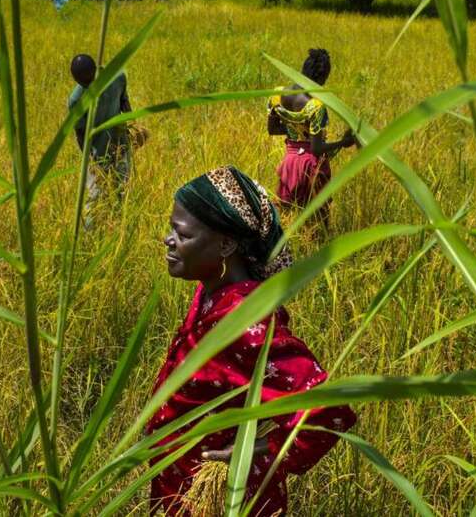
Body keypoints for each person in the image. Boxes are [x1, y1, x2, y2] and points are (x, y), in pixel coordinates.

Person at [148, 166, 357, 516]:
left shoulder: (245, 324)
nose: (169, 240)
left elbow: (328, 408)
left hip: (223, 500)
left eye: (182, 234)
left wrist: (262, 448)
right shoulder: (211, 292)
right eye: (171, 228)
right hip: (181, 488)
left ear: (226, 244)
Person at [267, 49, 356, 222]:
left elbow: (273, 129)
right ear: (322, 78)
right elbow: (316, 148)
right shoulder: (315, 105)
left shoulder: (277, 95)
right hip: (311, 166)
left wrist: (296, 128)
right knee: (319, 220)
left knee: (284, 216)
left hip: (290, 162)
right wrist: (343, 142)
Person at [68, 53, 132, 202]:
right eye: (83, 83)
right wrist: (90, 160)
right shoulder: (76, 100)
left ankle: (119, 222)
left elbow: (124, 103)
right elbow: (80, 133)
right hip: (96, 154)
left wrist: (134, 128)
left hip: (120, 145)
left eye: (89, 80)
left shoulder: (117, 77)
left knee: (122, 190)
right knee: (95, 197)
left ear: (94, 71)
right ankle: (91, 226)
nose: (88, 86)